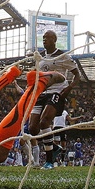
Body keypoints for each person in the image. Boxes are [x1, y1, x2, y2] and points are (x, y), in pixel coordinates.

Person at [28, 30, 80, 170]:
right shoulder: (40, 57)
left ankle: (49, 161)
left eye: (48, 37)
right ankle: (55, 147)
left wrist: (68, 89)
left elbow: (77, 75)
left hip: (57, 92)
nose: (44, 39)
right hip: (42, 93)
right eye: (43, 37)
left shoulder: (63, 56)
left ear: (54, 40)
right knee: (32, 128)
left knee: (45, 121)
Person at [51, 100, 82, 166]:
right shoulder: (54, 110)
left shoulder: (64, 112)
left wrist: (78, 118)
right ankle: (54, 161)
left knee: (63, 145)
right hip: (56, 128)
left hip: (62, 128)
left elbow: (70, 119)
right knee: (56, 145)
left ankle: (62, 161)